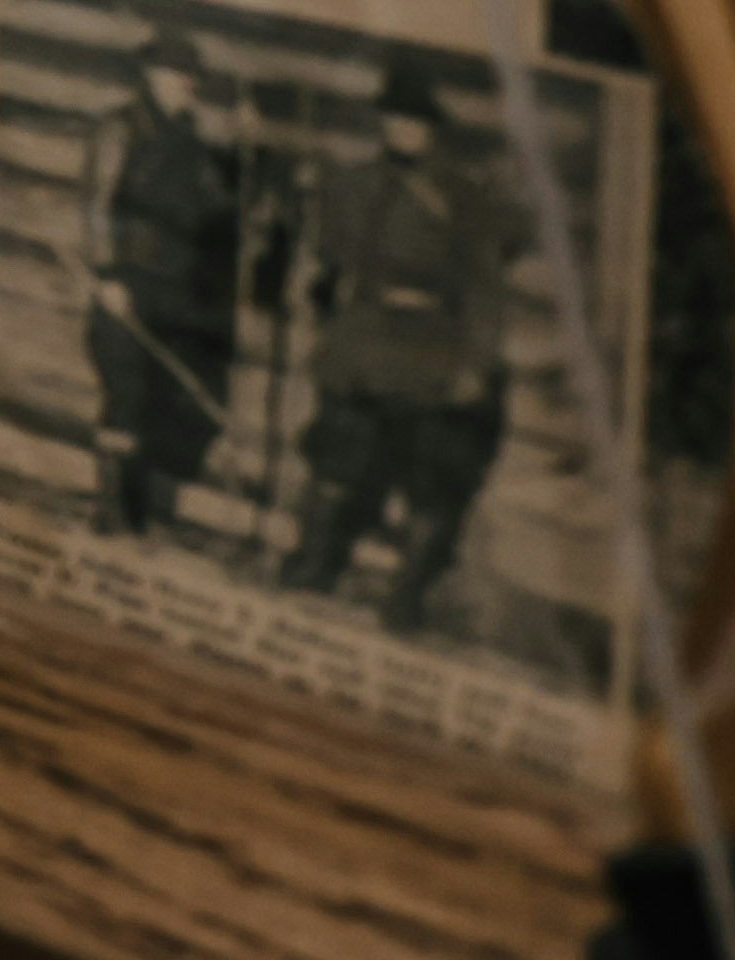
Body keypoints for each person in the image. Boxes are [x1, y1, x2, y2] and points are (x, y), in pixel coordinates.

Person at [280, 63, 527, 633]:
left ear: (430, 129)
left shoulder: (460, 198)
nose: (402, 129)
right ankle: (315, 566)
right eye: (393, 118)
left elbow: (485, 289)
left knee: (432, 479)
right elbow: (328, 256)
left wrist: (475, 364)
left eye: (413, 121)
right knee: (336, 456)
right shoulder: (356, 183)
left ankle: (406, 596)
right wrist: (301, 202)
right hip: (364, 340)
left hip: (430, 349)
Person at [81, 33, 246, 539]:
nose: (184, 85)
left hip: (177, 291)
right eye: (174, 75)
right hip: (127, 284)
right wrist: (107, 275)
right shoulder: (119, 127)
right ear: (150, 75)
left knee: (168, 402)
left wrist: (238, 150)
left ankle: (144, 514)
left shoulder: (193, 139)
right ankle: (112, 513)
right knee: (125, 397)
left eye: (189, 77)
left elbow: (218, 208)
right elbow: (96, 206)